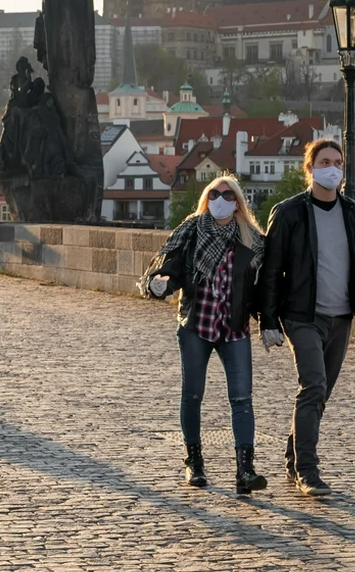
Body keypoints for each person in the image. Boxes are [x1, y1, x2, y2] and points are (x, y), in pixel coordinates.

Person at [258, 138, 355, 497]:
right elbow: (271, 271)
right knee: (314, 385)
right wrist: (268, 321)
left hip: (341, 316)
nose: (332, 168)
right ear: (310, 168)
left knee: (319, 394)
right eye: (324, 162)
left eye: (337, 162)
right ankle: (308, 471)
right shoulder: (289, 213)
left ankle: (293, 456)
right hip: (302, 315)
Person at [142, 175, 268, 495]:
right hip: (196, 325)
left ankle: (245, 470)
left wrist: (269, 322)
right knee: (193, 394)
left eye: (227, 194)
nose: (220, 199)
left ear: (238, 201)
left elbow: (264, 287)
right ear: (206, 198)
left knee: (241, 399)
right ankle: (194, 462)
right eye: (214, 194)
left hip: (234, 327)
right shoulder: (192, 230)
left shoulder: (252, 238)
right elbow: (172, 269)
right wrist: (160, 286)